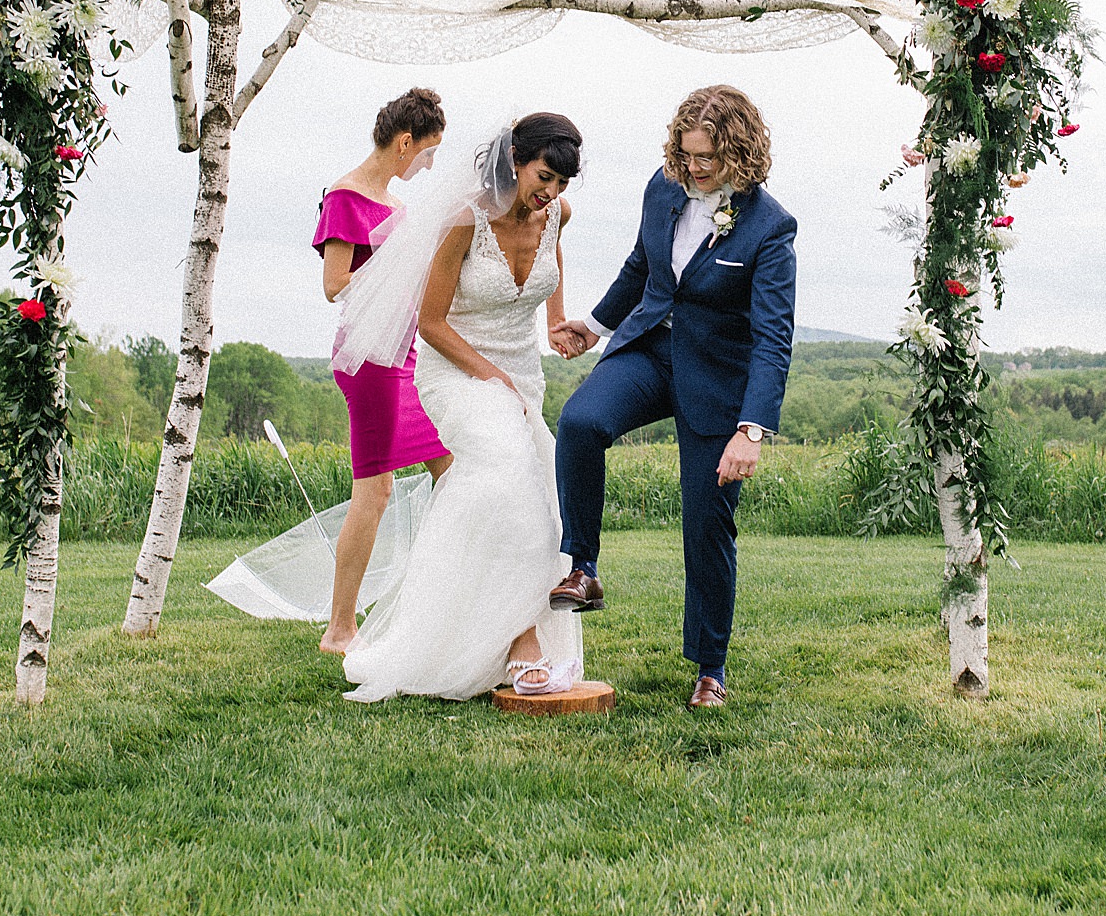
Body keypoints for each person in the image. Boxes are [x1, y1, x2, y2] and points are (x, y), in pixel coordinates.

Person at [549, 85, 796, 711]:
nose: (693, 168)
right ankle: (583, 566)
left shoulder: (770, 228)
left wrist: (753, 429)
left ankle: (709, 668)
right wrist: (597, 326)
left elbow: (773, 337)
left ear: (739, 152)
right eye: (686, 155)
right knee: (580, 422)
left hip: (718, 380)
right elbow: (643, 266)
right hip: (650, 352)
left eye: (707, 158)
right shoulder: (662, 189)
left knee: (707, 522)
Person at [331, 114, 589, 701]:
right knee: (505, 473)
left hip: (523, 376)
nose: (549, 192)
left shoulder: (557, 217)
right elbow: (430, 323)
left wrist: (555, 324)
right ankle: (523, 639)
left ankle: (456, 633)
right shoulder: (462, 220)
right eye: (543, 176)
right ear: (515, 160)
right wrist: (491, 375)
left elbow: (552, 268)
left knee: (531, 489)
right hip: (456, 372)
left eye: (561, 184)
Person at [312, 87, 455, 655]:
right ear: (404, 144)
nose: (430, 164)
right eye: (428, 152)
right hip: (367, 361)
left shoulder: (398, 206)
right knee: (374, 490)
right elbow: (333, 286)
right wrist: (394, 276)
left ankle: (458, 602)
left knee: (453, 468)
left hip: (407, 355)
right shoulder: (346, 198)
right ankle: (340, 627)